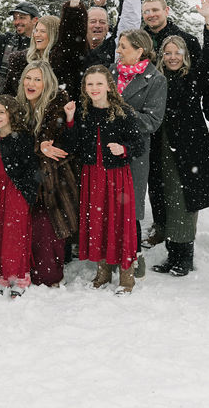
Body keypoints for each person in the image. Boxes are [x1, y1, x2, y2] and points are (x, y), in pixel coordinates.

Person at [148, 0, 209, 276]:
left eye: (176, 53)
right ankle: (173, 254)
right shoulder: (156, 78)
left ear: (185, 55)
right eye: (167, 53)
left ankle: (185, 256)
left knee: (184, 199)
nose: (171, 57)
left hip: (189, 146)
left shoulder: (194, 75)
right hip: (163, 143)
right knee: (168, 198)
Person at [59, 66, 143, 294]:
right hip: (91, 175)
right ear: (85, 88)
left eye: (98, 83)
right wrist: (69, 119)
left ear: (108, 85)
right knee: (97, 221)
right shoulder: (83, 113)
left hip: (116, 176)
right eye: (90, 84)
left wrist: (123, 148)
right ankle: (103, 270)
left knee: (120, 222)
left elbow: (139, 145)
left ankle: (127, 275)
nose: (94, 88)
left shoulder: (123, 112)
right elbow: (72, 146)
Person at [16, 61, 78, 286]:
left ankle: (48, 274)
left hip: (52, 181)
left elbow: (65, 144)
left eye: (37, 79)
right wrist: (37, 147)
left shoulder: (56, 107)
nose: (31, 83)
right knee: (26, 226)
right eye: (28, 78)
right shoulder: (18, 107)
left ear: (47, 84)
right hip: (25, 178)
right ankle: (26, 269)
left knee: (47, 227)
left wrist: (44, 145)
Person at [113, 29, 167, 278]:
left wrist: (120, 115)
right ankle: (110, 256)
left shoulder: (155, 79)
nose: (119, 50)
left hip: (134, 152)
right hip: (106, 148)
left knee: (129, 206)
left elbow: (153, 121)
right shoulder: (110, 72)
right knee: (108, 204)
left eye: (124, 46)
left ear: (139, 50)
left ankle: (134, 257)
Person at [0, 95, 40, 298]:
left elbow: (30, 169)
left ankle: (22, 276)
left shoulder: (22, 138)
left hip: (15, 190)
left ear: (11, 114)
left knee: (15, 233)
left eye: (1, 112)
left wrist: (27, 192)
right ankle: (4, 275)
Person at [1, 0, 90, 95]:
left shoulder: (64, 59)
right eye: (36, 30)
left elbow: (73, 33)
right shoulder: (19, 60)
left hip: (54, 113)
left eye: (43, 31)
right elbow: (9, 93)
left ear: (54, 34)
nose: (37, 34)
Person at [83, 0, 143, 70]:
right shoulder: (75, 48)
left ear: (107, 27)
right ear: (84, 25)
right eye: (92, 21)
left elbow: (129, 22)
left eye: (102, 22)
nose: (97, 25)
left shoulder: (115, 48)